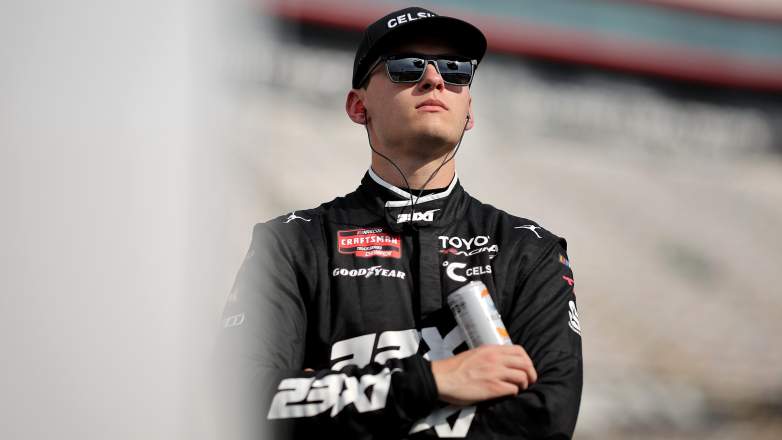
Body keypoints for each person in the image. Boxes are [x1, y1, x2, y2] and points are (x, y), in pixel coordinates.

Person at [217, 6, 582, 439]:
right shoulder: (291, 243)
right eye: (406, 67)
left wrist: (333, 399)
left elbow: (547, 416)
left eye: (455, 70)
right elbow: (238, 400)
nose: (434, 80)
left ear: (469, 112)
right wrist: (434, 382)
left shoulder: (530, 249)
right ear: (358, 106)